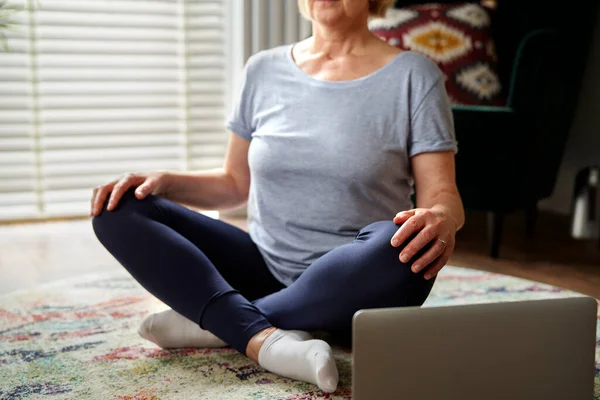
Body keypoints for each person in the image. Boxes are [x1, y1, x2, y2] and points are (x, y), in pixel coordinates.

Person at [90, 0, 464, 393]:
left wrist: (442, 218)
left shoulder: (414, 76)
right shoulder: (262, 69)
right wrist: (164, 181)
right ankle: (264, 333)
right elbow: (234, 183)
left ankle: (216, 321)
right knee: (119, 207)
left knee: (403, 248)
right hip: (261, 270)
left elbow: (441, 193)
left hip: (358, 281)